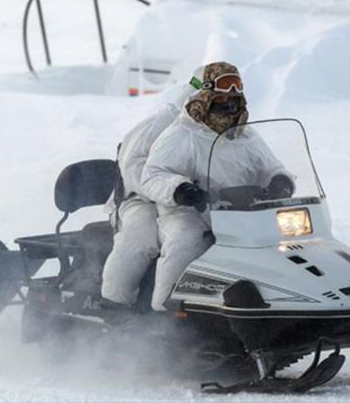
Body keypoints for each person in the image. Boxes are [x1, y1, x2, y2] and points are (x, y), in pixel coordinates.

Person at [141, 61, 292, 311]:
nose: (232, 92)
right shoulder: (183, 133)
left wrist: (280, 182)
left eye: (237, 85)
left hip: (242, 211)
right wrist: (181, 190)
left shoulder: (246, 134)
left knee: (287, 240)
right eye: (225, 84)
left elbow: (270, 167)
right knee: (186, 240)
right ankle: (165, 308)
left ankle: (287, 298)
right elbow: (152, 174)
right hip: (189, 211)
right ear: (208, 90)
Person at [100, 82, 196, 309]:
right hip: (139, 200)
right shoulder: (154, 127)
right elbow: (134, 171)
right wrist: (174, 190)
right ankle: (115, 302)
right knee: (141, 236)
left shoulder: (215, 130)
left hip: (187, 201)